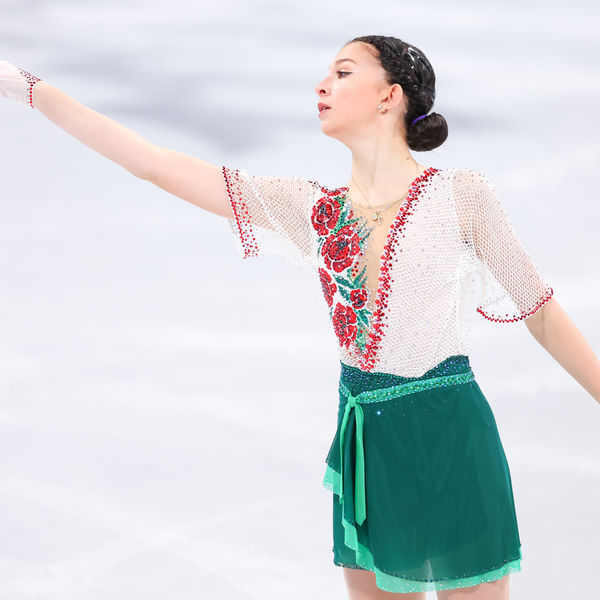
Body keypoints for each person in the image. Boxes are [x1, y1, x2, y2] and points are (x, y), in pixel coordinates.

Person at [1, 34, 599, 600]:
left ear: (390, 96)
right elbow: (152, 164)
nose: (321, 85)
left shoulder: (460, 196)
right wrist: (30, 90)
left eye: (343, 72)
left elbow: (540, 311)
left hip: (451, 435)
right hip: (367, 446)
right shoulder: (312, 210)